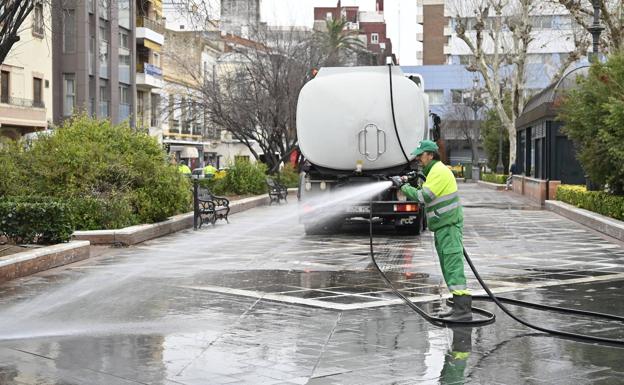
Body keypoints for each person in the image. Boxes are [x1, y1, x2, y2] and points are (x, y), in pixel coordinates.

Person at [391, 140, 472, 321]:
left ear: (430, 155)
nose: (418, 158)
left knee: (453, 266)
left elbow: (423, 196)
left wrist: (403, 187)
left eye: (421, 155)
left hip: (449, 227)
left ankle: (463, 311)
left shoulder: (439, 171)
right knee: (448, 266)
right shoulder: (434, 171)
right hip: (443, 227)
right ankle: (458, 307)